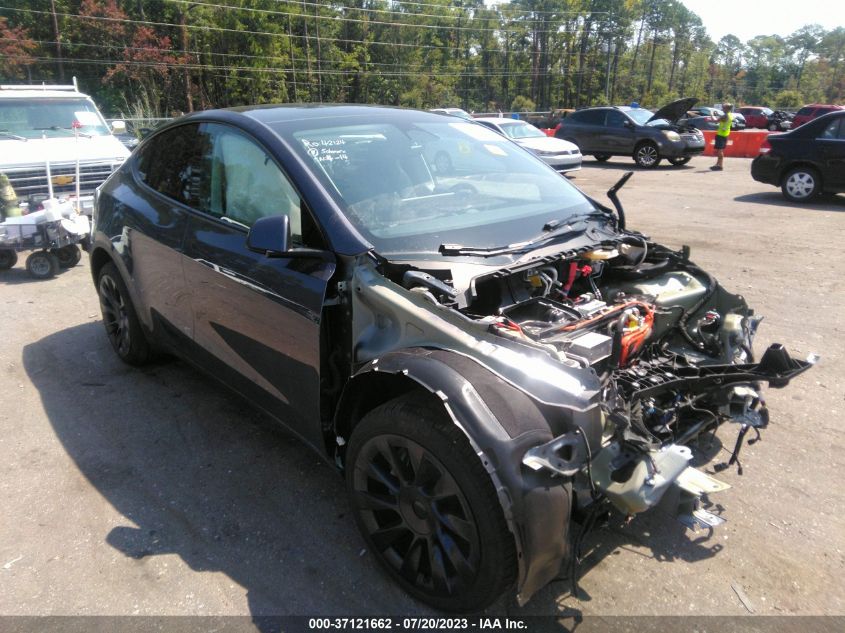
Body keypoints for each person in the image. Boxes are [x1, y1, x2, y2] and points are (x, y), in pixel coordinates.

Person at [710, 103, 733, 171]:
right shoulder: (729, 115)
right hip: (725, 134)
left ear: (727, 109)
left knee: (720, 151)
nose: (722, 109)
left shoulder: (725, 116)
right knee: (719, 150)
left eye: (723, 108)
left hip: (721, 135)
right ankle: (717, 164)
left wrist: (711, 114)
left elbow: (715, 121)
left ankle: (720, 166)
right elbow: (722, 119)